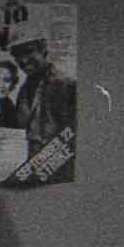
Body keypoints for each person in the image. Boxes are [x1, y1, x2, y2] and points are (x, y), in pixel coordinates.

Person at [9, 20, 77, 175]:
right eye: (17, 54)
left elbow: (72, 140)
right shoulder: (24, 90)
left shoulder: (66, 85)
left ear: (43, 49)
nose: (23, 60)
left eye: (28, 51)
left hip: (55, 175)